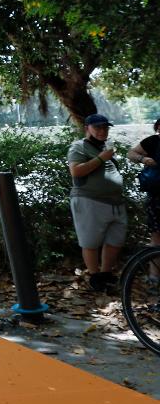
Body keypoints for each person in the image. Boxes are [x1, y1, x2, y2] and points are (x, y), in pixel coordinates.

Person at [69, 113, 127, 292]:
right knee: (90, 241)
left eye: (105, 127)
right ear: (87, 128)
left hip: (115, 202)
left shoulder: (105, 146)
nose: (103, 130)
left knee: (115, 240)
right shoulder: (78, 146)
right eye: (98, 127)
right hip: (89, 200)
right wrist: (102, 157)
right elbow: (76, 172)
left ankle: (105, 274)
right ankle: (95, 277)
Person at [127, 117, 160, 257]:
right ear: (158, 128)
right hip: (157, 196)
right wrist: (143, 159)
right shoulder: (153, 141)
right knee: (157, 235)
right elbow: (131, 153)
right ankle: (153, 276)